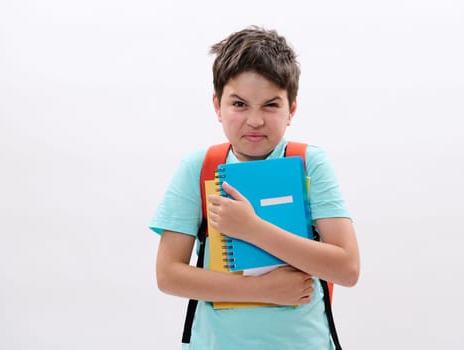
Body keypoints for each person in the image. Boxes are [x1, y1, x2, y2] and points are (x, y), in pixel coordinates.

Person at [150, 26, 360, 350]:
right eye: (239, 104)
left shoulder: (310, 163)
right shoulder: (200, 167)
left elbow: (347, 269)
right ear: (217, 105)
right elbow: (168, 275)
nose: (255, 120)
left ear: (291, 109)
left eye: (271, 105)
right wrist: (264, 291)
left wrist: (252, 229)